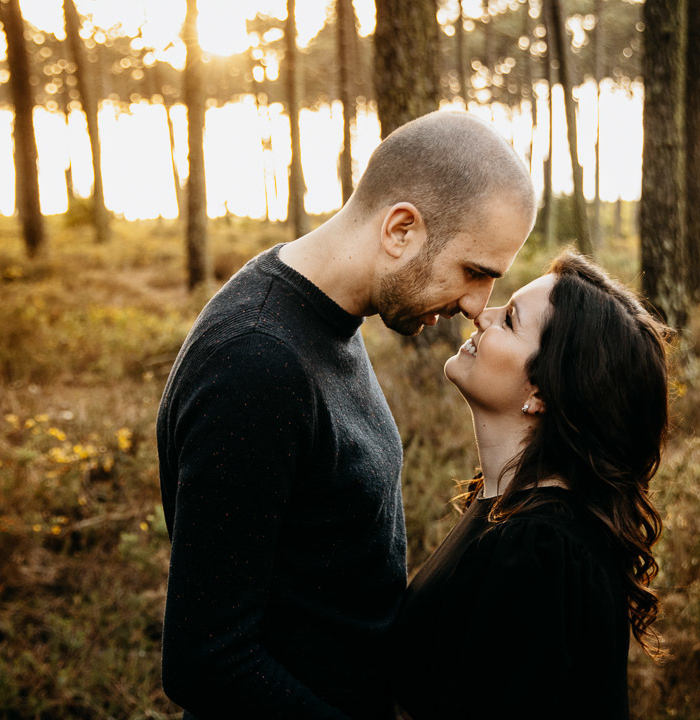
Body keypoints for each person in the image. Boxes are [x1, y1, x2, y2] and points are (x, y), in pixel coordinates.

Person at [156, 111, 537, 719]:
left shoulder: (325, 315)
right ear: (401, 229)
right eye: (474, 272)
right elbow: (207, 660)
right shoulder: (256, 363)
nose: (475, 305)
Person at [388, 252, 670, 719]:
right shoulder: (512, 513)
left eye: (511, 319)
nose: (481, 312)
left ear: (542, 391)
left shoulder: (542, 550)